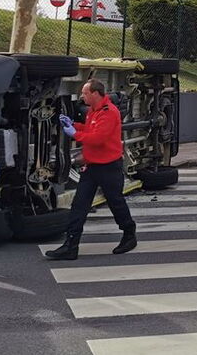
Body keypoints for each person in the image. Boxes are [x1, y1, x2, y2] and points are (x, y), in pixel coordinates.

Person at [45, 80, 136, 261]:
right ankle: (71, 245)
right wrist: (73, 124)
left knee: (116, 203)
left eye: (85, 93)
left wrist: (74, 134)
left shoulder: (109, 112)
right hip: (92, 166)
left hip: (109, 167)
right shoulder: (94, 111)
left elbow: (97, 138)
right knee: (79, 205)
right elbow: (89, 129)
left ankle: (129, 234)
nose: (82, 96)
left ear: (95, 93)